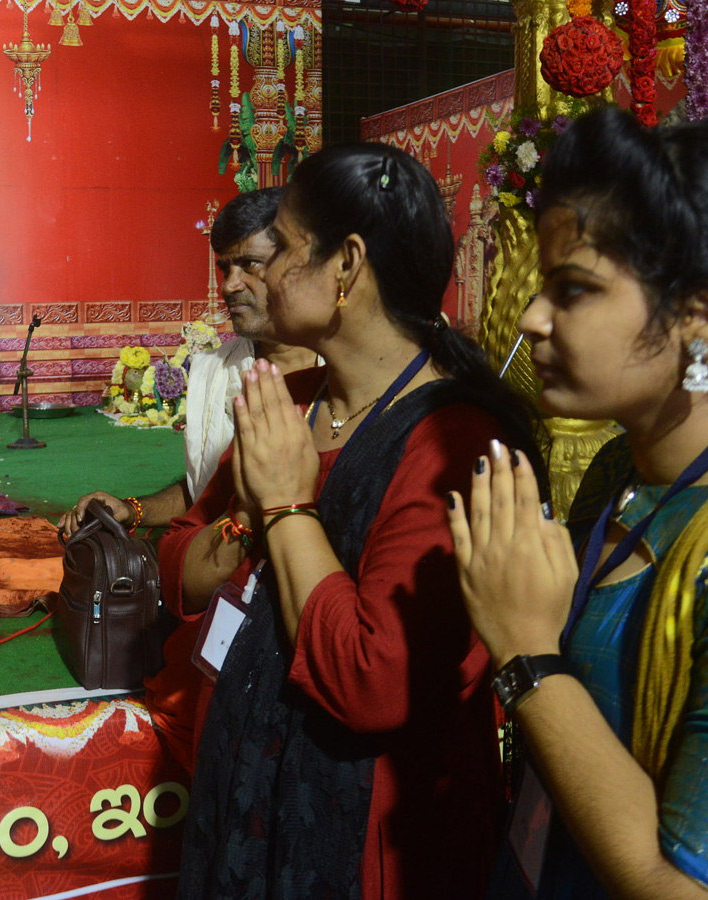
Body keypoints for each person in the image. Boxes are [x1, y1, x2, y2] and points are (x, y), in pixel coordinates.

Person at [164, 143, 543, 899]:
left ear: (346, 266)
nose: (264, 273)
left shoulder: (454, 440)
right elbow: (183, 555)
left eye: (285, 249)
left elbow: (375, 681)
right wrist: (244, 522)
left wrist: (288, 507)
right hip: (251, 780)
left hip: (371, 832)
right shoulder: (292, 400)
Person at [446, 107, 708, 899]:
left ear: (702, 315)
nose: (533, 318)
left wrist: (526, 655)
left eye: (573, 289)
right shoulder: (620, 465)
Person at [56, 187, 315, 537]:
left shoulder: (344, 368)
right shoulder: (213, 370)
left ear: (299, 264)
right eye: (226, 269)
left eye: (249, 265)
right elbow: (204, 492)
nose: (229, 286)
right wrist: (133, 509)